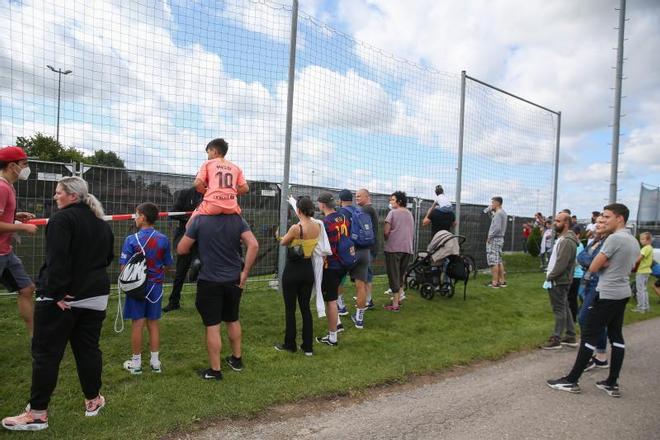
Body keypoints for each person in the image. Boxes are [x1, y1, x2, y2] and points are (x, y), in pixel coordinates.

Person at [2, 177, 113, 431]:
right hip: (96, 295)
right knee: (88, 350)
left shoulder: (62, 220)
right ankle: (93, 401)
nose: (55, 197)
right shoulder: (101, 222)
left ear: (72, 196)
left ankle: (37, 414)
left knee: (46, 354)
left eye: (58, 193)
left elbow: (57, 261)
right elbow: (107, 257)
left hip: (66, 298)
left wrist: (55, 294)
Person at [547, 203, 639, 397]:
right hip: (622, 292)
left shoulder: (614, 239)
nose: (603, 220)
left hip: (605, 292)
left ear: (619, 218)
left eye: (607, 216)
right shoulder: (632, 240)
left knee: (588, 334)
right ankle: (611, 382)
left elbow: (593, 265)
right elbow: (633, 265)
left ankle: (572, 380)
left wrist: (599, 262)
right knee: (616, 336)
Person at [177, 211, 258, 380]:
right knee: (232, 318)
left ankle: (215, 370)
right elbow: (254, 245)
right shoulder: (237, 219)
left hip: (210, 280)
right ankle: (236, 359)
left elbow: (182, 248)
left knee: (212, 325)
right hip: (234, 279)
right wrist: (245, 272)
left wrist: (194, 220)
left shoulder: (200, 219)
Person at [121, 202, 173, 374]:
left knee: (137, 324)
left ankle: (136, 364)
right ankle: (155, 363)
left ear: (143, 217)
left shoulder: (130, 240)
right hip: (155, 288)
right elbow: (168, 265)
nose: (135, 218)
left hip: (137, 287)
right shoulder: (163, 239)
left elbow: (124, 268)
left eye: (136, 215)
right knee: (154, 324)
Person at [274, 197, 320, 356]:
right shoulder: (317, 226)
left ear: (298, 210)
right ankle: (308, 347)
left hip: (293, 271)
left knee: (290, 309)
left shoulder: (296, 227)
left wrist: (279, 235)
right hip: (308, 270)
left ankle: (290, 344)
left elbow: (284, 243)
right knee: (306, 308)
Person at [0, 146, 37, 336]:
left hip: (6, 252)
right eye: (24, 164)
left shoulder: (9, 186)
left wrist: (16, 216)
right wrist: (22, 227)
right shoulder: (1, 187)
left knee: (27, 289)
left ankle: (34, 337)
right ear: (12, 165)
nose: (26, 168)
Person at [540, 212, 579, 350]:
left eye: (558, 221)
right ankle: (570, 335)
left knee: (559, 309)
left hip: (558, 280)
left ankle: (557, 338)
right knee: (564, 307)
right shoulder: (562, 239)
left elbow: (562, 263)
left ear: (566, 223)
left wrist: (550, 277)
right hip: (559, 279)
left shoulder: (567, 241)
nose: (554, 223)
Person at [188, 138, 249, 224]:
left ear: (214, 151)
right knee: (243, 227)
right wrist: (228, 192)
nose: (208, 156)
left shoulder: (208, 163)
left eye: (208, 152)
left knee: (190, 224)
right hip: (231, 206)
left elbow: (197, 184)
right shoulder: (236, 167)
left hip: (212, 205)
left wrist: (206, 191)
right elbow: (245, 188)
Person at [336, 189, 372, 327]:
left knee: (339, 280)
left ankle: (341, 307)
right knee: (360, 286)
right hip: (364, 251)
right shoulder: (360, 211)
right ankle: (359, 319)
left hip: (348, 251)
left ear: (340, 200)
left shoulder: (341, 213)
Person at [577, 215, 609, 370]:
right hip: (587, 281)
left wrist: (591, 261)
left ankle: (589, 354)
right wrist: (591, 261)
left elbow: (595, 262)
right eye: (597, 223)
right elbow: (581, 256)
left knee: (585, 318)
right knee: (593, 319)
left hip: (597, 283)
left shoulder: (608, 242)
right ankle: (601, 356)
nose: (598, 225)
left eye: (602, 222)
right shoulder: (596, 240)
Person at [163, 186, 202, 312]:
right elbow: (173, 212)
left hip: (203, 236)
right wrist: (191, 219)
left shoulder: (210, 194)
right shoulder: (185, 193)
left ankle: (202, 302)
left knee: (203, 270)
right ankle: (174, 302)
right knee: (180, 272)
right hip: (185, 235)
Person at [316, 192, 346, 340]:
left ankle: (333, 336)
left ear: (322, 204)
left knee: (331, 301)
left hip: (332, 264)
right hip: (343, 262)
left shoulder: (325, 222)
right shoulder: (343, 217)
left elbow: (324, 247)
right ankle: (337, 324)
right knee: (333, 296)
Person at [383, 191, 414, 312]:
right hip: (407, 248)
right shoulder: (410, 214)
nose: (390, 202)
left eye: (392, 200)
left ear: (399, 201)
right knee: (400, 274)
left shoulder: (392, 213)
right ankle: (399, 298)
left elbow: (386, 231)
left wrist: (387, 238)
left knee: (394, 275)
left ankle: (395, 304)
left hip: (393, 248)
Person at [356, 188, 379, 309]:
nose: (357, 198)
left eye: (359, 196)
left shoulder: (366, 209)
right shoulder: (369, 209)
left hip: (368, 248)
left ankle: (368, 299)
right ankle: (367, 298)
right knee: (366, 274)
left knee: (366, 275)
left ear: (367, 197)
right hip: (371, 247)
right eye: (356, 196)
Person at [484, 196, 507, 288]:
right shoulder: (503, 212)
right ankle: (502, 281)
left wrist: (490, 237)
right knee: (498, 260)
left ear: (497, 203)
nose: (491, 204)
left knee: (493, 261)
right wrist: (490, 210)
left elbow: (496, 228)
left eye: (493, 202)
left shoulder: (498, 213)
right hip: (500, 238)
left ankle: (494, 282)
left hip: (495, 239)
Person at [631, 231, 653, 313]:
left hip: (642, 271)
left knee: (640, 290)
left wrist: (632, 264)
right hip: (647, 271)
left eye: (643, 239)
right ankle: (646, 306)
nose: (641, 240)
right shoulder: (650, 248)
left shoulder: (645, 248)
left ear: (648, 240)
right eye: (641, 239)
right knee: (644, 290)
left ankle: (641, 307)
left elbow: (638, 259)